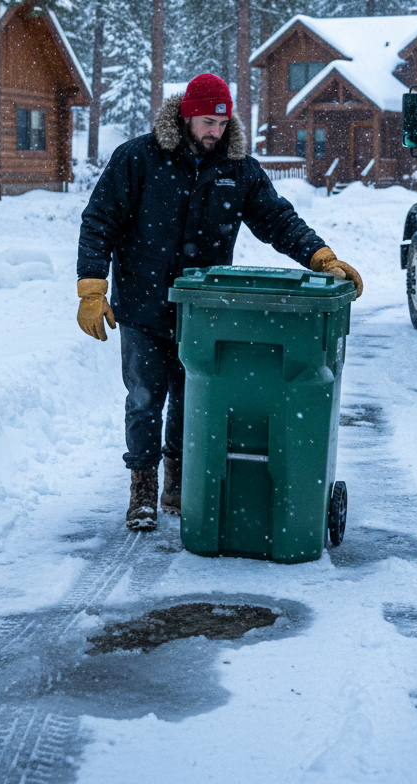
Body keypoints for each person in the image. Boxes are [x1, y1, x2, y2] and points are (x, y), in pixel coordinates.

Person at [76, 73, 362, 531]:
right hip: (142, 305)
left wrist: (320, 257)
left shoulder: (238, 169)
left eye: (223, 122)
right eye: (208, 122)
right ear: (187, 116)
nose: (216, 131)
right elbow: (99, 222)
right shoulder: (138, 158)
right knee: (145, 400)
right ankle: (143, 489)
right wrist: (92, 287)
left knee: (195, 402)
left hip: (204, 312)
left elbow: (276, 220)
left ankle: (178, 484)